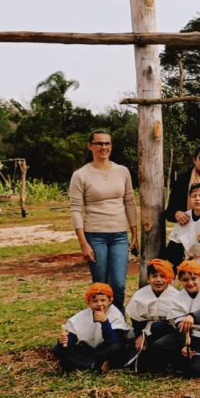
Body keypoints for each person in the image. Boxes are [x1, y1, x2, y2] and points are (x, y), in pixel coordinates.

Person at [69, 130, 138, 311]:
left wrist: (134, 233)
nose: (104, 147)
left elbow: (129, 202)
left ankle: (119, 324)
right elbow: (76, 209)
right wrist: (83, 242)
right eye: (99, 143)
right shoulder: (81, 175)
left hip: (119, 236)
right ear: (90, 146)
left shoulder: (122, 171)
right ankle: (101, 325)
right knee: (100, 286)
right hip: (95, 235)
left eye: (107, 143)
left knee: (118, 284)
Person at [147, 260, 200, 378]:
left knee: (197, 370)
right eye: (185, 280)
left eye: (194, 278)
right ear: (180, 280)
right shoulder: (179, 296)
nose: (190, 283)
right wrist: (184, 345)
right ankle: (181, 361)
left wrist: (192, 316)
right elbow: (180, 324)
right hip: (188, 334)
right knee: (159, 345)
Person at [160, 183, 200, 291]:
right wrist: (174, 266)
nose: (197, 199)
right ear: (189, 199)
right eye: (194, 196)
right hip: (188, 266)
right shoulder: (185, 217)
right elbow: (174, 244)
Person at [54, 283, 129, 373]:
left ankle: (88, 365)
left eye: (102, 300)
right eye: (95, 301)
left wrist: (105, 322)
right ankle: (94, 366)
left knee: (117, 348)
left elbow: (113, 340)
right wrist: (64, 341)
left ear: (110, 300)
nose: (99, 304)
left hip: (105, 350)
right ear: (88, 302)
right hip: (88, 350)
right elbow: (71, 341)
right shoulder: (80, 317)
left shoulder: (115, 314)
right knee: (60, 351)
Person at [125, 259, 179, 373]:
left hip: (169, 331)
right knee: (134, 362)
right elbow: (136, 319)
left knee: (157, 327)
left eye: (163, 276)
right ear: (148, 279)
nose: (158, 280)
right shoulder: (140, 294)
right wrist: (140, 336)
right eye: (154, 276)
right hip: (146, 331)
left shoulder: (176, 296)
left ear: (169, 278)